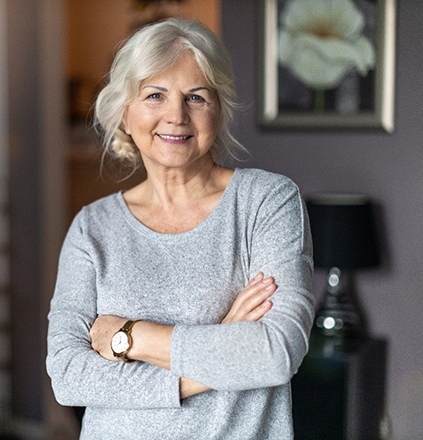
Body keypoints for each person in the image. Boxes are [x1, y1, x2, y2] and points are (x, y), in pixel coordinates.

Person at [46, 18, 314, 439]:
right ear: (124, 113)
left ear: (218, 109)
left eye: (196, 97)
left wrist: (130, 338)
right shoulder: (91, 228)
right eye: (155, 95)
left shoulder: (267, 201)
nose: (176, 115)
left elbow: (277, 351)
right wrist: (223, 344)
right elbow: (68, 376)